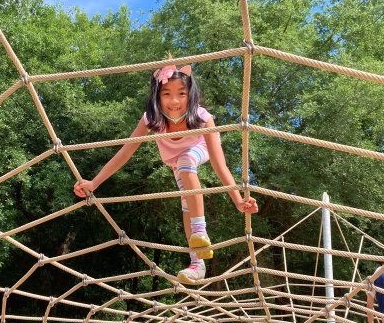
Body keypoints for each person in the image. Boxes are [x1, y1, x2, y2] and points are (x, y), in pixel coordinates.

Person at [73, 57, 258, 285]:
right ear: (157, 96)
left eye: (181, 93)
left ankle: (201, 233)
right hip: (176, 162)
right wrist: (94, 183)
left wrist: (238, 200)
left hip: (197, 149)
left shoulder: (202, 118)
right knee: (185, 201)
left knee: (187, 163)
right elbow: (125, 152)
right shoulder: (153, 119)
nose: (174, 101)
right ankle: (197, 264)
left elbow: (220, 166)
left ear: (190, 95)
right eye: (166, 94)